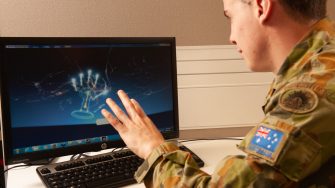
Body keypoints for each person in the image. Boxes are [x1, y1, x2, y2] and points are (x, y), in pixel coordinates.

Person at [101, 0, 335, 187]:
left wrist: (152, 149)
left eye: (230, 16)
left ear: (261, 7)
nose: (230, 37)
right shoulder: (323, 61)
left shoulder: (312, 93)